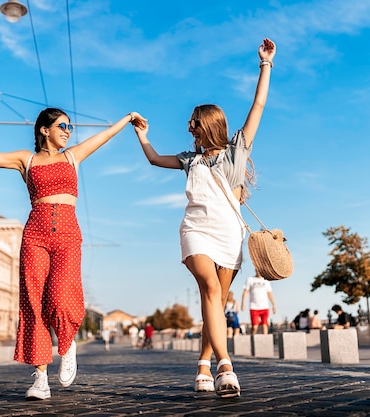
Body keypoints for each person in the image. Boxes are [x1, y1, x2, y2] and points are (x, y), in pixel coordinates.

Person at [0, 107, 146, 401]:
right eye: (62, 125)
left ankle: (66, 343)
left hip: (68, 234)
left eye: (70, 126)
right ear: (44, 130)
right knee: (33, 303)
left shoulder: (72, 156)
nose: (68, 130)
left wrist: (126, 119)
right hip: (35, 234)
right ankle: (40, 377)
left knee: (62, 296)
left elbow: (104, 136)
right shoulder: (27, 159)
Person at [132, 38, 276, 398]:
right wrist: (143, 136)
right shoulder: (188, 160)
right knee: (211, 290)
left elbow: (258, 105)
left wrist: (265, 65)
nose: (189, 128)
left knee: (215, 301)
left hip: (229, 236)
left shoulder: (238, 149)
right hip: (196, 231)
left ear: (207, 124)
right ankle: (225, 367)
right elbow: (153, 159)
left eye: (193, 123)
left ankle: (202, 365)